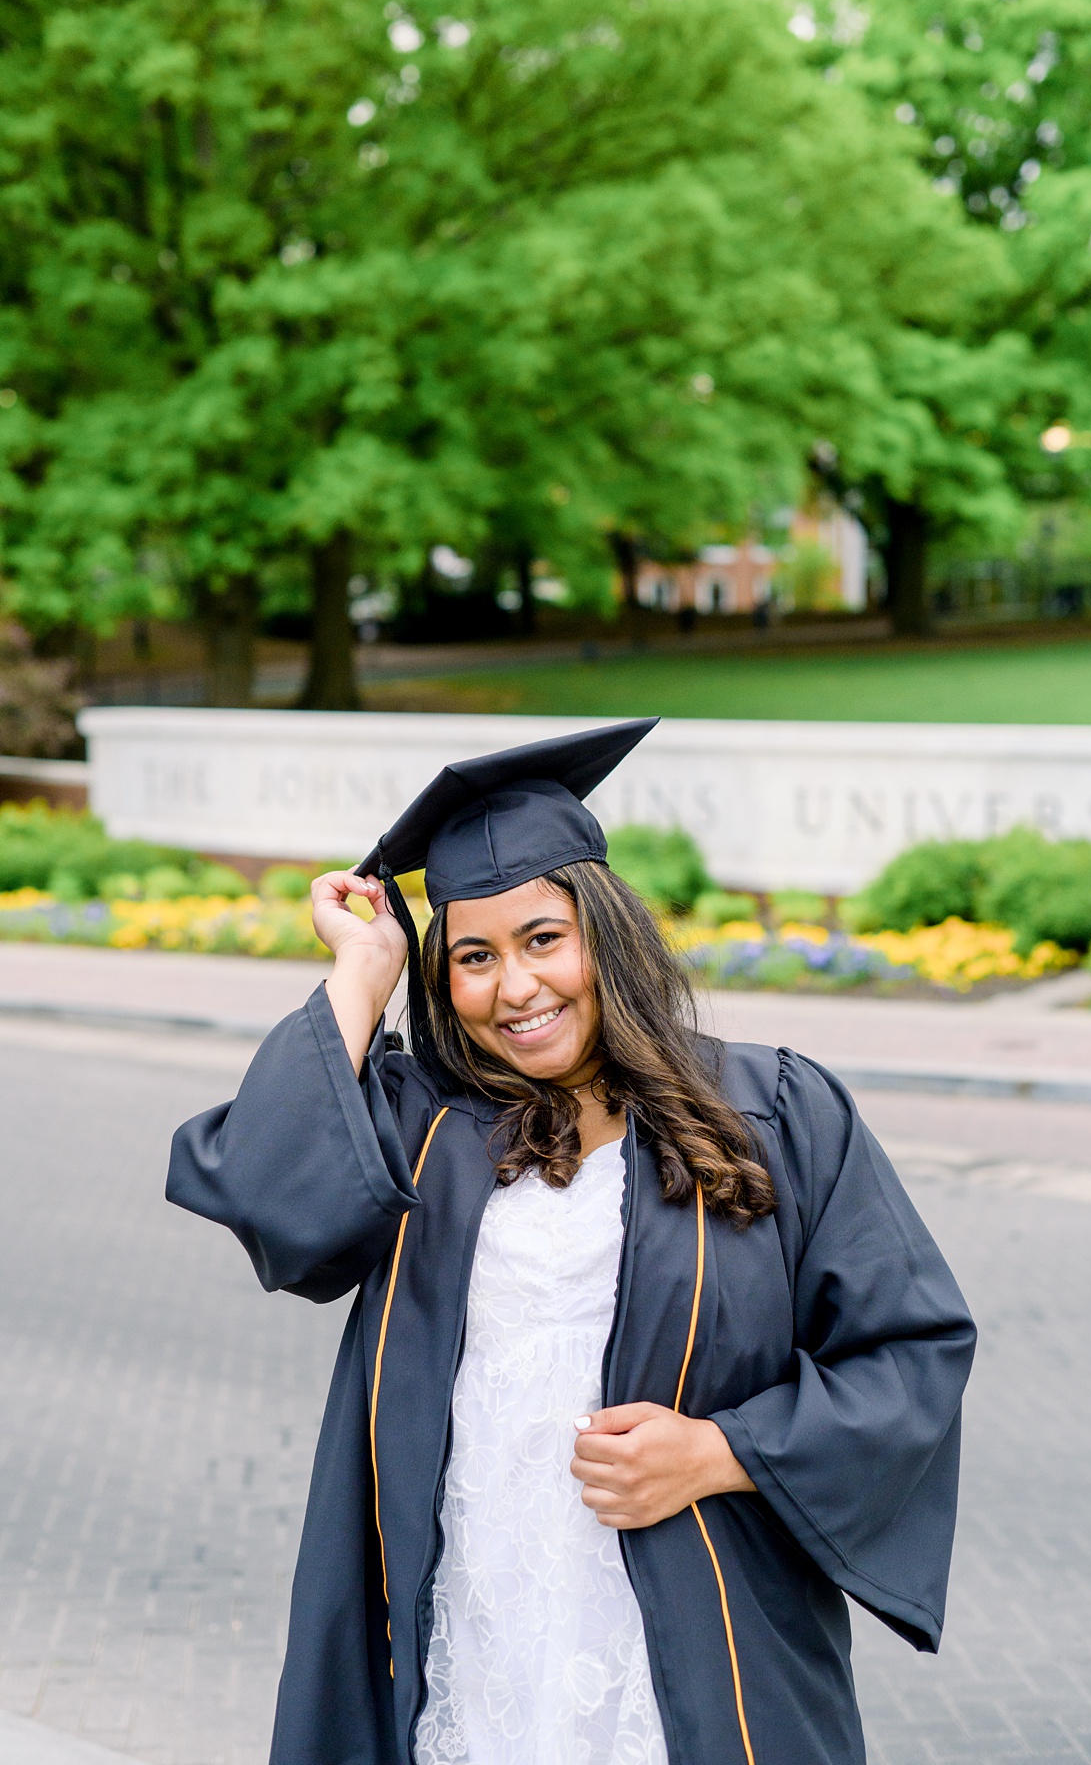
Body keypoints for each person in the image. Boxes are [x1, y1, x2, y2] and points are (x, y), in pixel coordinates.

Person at [167, 719, 976, 1765]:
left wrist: (723, 1452)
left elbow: (912, 1351)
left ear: (606, 932)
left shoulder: (770, 1110)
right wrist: (361, 977)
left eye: (543, 938)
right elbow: (272, 1198)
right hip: (476, 1624)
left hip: (686, 1637)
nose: (516, 987)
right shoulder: (425, 1126)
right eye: (472, 956)